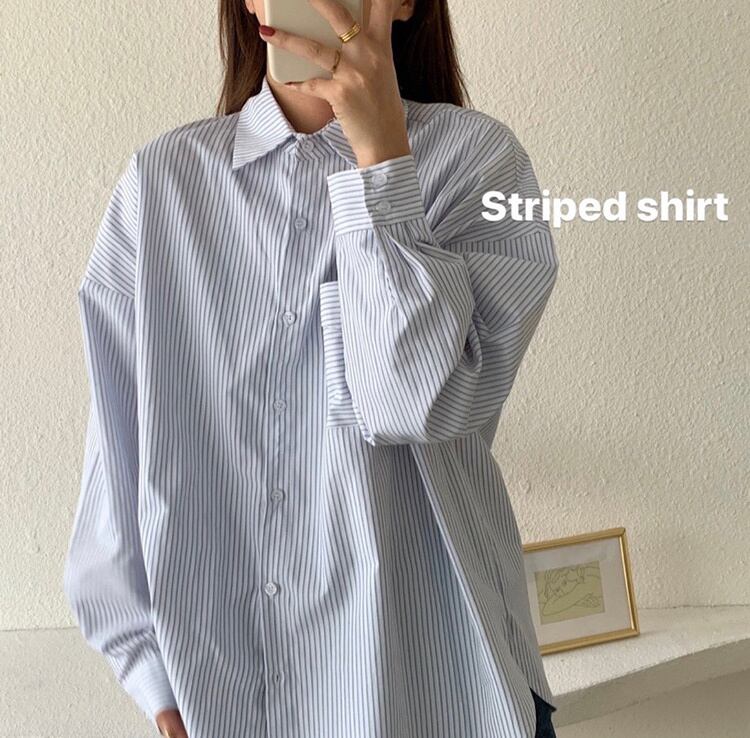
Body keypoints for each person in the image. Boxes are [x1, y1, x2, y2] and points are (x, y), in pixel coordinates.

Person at [63, 0, 560, 736]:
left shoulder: (479, 162)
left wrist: (381, 159)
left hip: (438, 691)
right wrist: (153, 680)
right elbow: (116, 449)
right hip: (227, 699)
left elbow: (411, 402)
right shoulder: (162, 182)